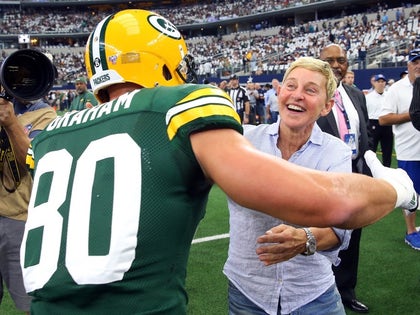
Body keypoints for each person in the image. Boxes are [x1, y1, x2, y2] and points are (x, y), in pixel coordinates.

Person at [19, 10, 417, 315]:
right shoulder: (178, 109)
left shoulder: (52, 136)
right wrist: (398, 189)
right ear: (162, 61)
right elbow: (337, 205)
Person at [224, 57, 352, 315]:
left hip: (311, 292)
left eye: (310, 90)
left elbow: (340, 228)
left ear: (326, 106)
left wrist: (305, 239)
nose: (297, 95)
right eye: (291, 86)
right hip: (249, 289)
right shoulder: (243, 140)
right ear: (279, 92)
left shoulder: (335, 152)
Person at [317, 43, 371, 313]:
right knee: (323, 237)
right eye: (330, 60)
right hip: (323, 181)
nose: (337, 65)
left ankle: (347, 291)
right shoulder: (312, 95)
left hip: (355, 178)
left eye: (342, 60)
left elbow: (365, 137)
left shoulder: (355, 94)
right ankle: (320, 291)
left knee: (352, 238)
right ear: (320, 63)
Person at [0, 95, 56, 314]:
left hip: (18, 218)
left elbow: (37, 161)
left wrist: (11, 123)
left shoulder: (44, 114)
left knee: (30, 303)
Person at [379, 48, 420, 250]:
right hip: (409, 152)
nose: (419, 65)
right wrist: (412, 115)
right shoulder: (397, 89)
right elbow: (384, 118)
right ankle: (411, 232)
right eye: (415, 61)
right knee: (411, 193)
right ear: (408, 66)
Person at [365, 74, 394, 167]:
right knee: (372, 149)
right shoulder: (369, 97)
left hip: (387, 123)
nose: (381, 84)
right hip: (374, 123)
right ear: (375, 83)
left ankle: (387, 169)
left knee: (387, 149)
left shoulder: (389, 96)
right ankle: (371, 169)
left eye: (383, 81)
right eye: (379, 81)